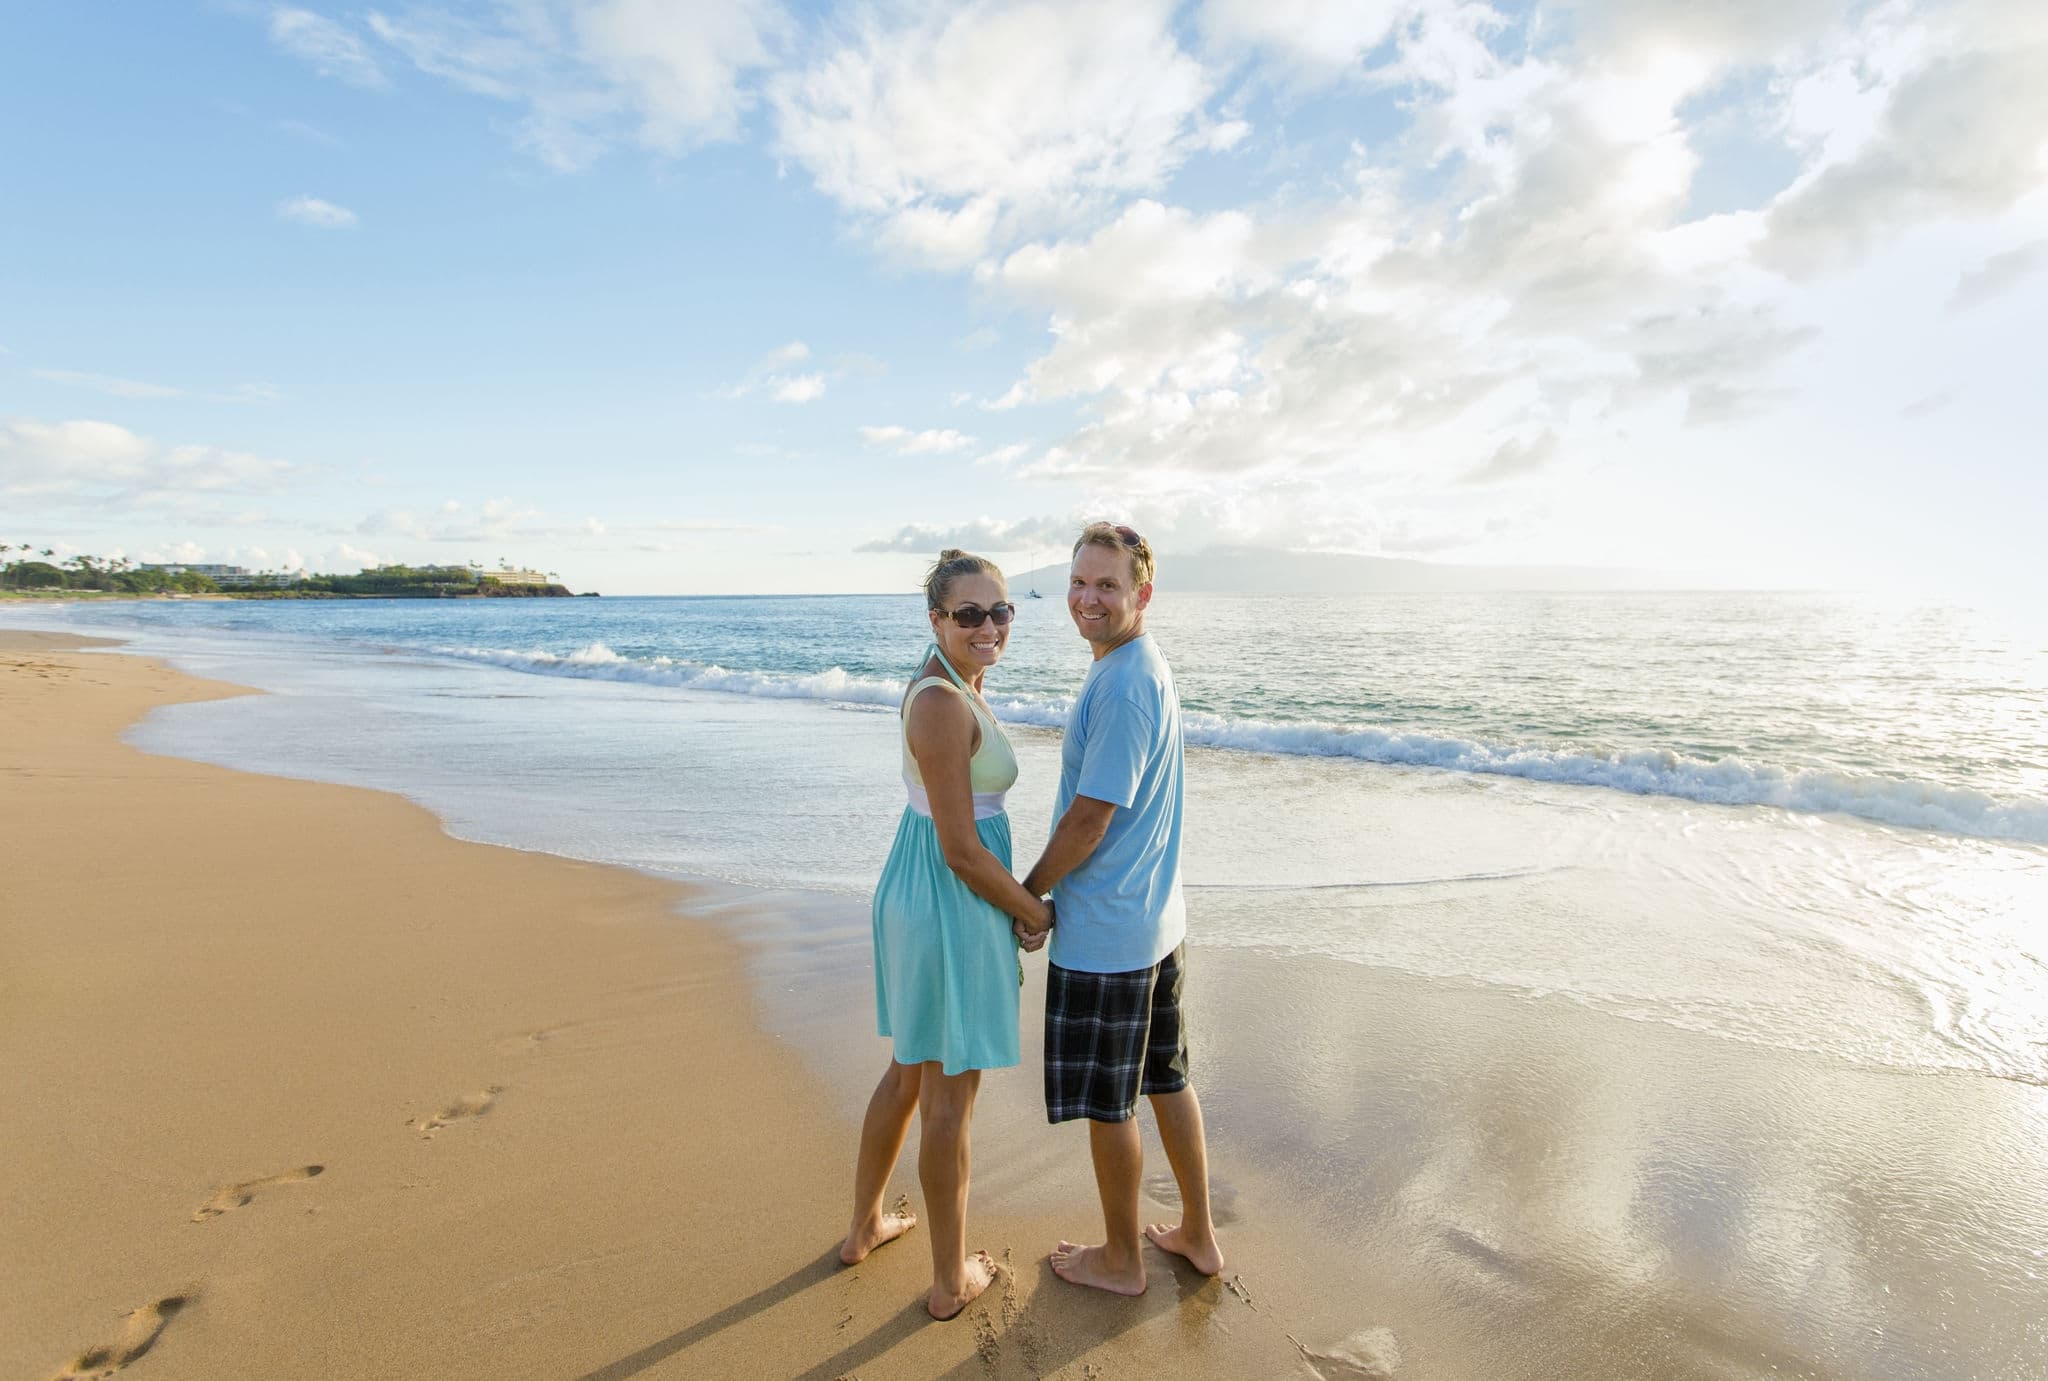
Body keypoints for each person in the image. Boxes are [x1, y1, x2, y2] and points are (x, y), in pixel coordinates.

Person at [839, 549, 1055, 1321]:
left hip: (932, 889)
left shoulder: (957, 681)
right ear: (936, 619)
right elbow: (962, 849)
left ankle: (864, 1226)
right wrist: (1031, 908)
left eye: (1000, 610)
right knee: (946, 1096)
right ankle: (947, 1280)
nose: (989, 625)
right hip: (947, 897)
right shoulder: (939, 700)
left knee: (910, 1072)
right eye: (970, 613)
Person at [1015, 522, 1224, 1295]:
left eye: (1107, 585)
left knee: (1112, 1104)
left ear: (1142, 592)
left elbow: (1091, 816)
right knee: (1167, 1077)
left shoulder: (1127, 679)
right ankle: (1197, 1232)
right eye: (1079, 581)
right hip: (1153, 920)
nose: (1087, 598)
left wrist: (1031, 889)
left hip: (1110, 931)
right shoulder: (1135, 663)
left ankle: (1121, 1258)